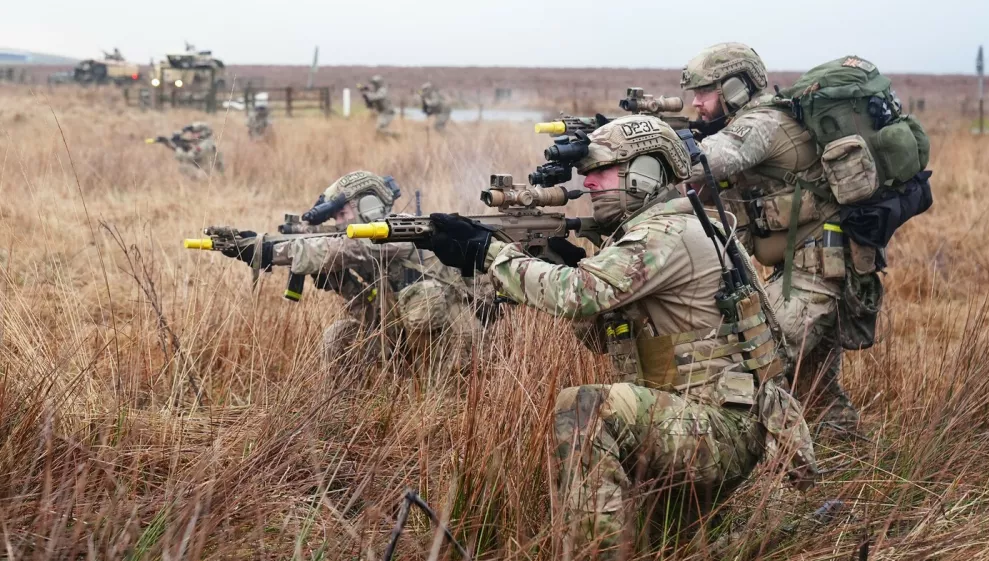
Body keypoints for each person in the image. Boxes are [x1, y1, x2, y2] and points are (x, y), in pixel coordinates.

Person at [412, 117, 817, 557]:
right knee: (663, 547)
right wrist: (559, 265)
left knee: (587, 408)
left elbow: (579, 296)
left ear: (644, 171)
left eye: (600, 169)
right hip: (703, 428)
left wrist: (492, 254)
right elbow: (604, 336)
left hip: (715, 431)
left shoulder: (666, 233)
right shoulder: (686, 226)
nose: (587, 181)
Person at [680, 42, 861, 433]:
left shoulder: (762, 123)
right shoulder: (750, 122)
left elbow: (705, 161)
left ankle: (767, 469)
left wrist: (643, 149)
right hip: (802, 270)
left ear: (735, 87)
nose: (696, 103)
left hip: (814, 273)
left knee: (757, 361)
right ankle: (850, 460)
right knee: (817, 390)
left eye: (704, 91)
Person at [225, 171, 491, 372]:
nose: (339, 221)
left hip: (455, 339)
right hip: (402, 336)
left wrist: (269, 253)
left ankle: (440, 389)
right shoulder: (364, 238)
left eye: (342, 213)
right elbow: (365, 301)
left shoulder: (402, 231)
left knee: (423, 296)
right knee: (340, 337)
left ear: (368, 206)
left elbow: (337, 250)